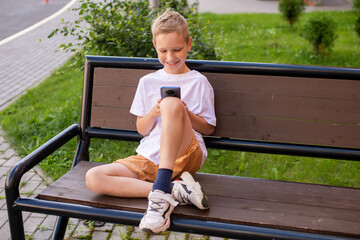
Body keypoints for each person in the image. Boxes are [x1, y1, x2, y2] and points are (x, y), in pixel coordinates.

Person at [85, 10, 216, 234]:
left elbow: (208, 128)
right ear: (155, 45)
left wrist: (183, 112)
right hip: (149, 156)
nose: (170, 56)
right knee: (94, 178)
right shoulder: (148, 82)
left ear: (189, 44)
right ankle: (172, 191)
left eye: (177, 49)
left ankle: (160, 195)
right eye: (163, 50)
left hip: (186, 153)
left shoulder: (198, 82)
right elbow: (142, 129)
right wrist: (154, 112)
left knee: (172, 103)